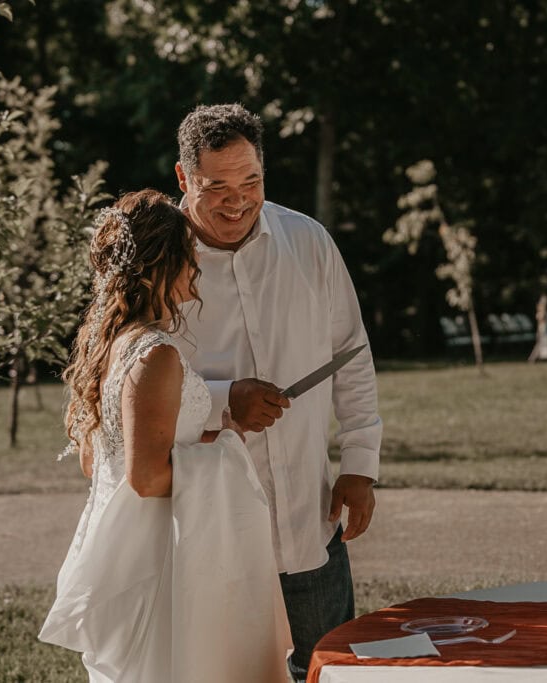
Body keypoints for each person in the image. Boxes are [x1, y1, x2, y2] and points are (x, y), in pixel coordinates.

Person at [39, 189, 292, 682]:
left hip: (126, 544)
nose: (195, 272)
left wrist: (195, 440)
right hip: (161, 558)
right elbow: (147, 478)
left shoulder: (111, 344)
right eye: (189, 258)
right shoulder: (154, 355)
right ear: (164, 262)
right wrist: (225, 450)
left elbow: (98, 462)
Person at [172, 103, 382, 681]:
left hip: (308, 521)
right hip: (208, 532)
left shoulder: (308, 241)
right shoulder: (155, 263)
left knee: (330, 668)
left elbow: (352, 356)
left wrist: (360, 464)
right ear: (183, 178)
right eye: (217, 187)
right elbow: (124, 383)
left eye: (252, 181)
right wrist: (223, 400)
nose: (238, 200)